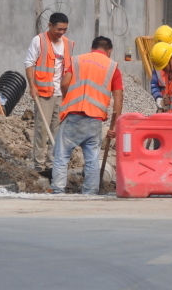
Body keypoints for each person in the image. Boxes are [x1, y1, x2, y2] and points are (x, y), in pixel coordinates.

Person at [51, 37, 124, 195]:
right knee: (92, 159)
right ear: (109, 51)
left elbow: (64, 83)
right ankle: (90, 192)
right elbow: (118, 100)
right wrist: (114, 126)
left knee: (61, 155)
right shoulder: (113, 67)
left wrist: (68, 99)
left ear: (92, 48)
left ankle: (58, 190)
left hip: (73, 116)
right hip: (94, 119)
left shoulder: (77, 60)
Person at [24, 13, 74, 174]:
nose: (61, 32)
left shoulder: (68, 44)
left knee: (57, 131)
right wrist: (32, 86)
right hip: (44, 93)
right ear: (50, 25)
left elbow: (69, 69)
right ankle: (39, 165)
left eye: (64, 29)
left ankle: (53, 164)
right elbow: (29, 63)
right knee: (41, 130)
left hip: (62, 94)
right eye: (59, 29)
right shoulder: (39, 40)